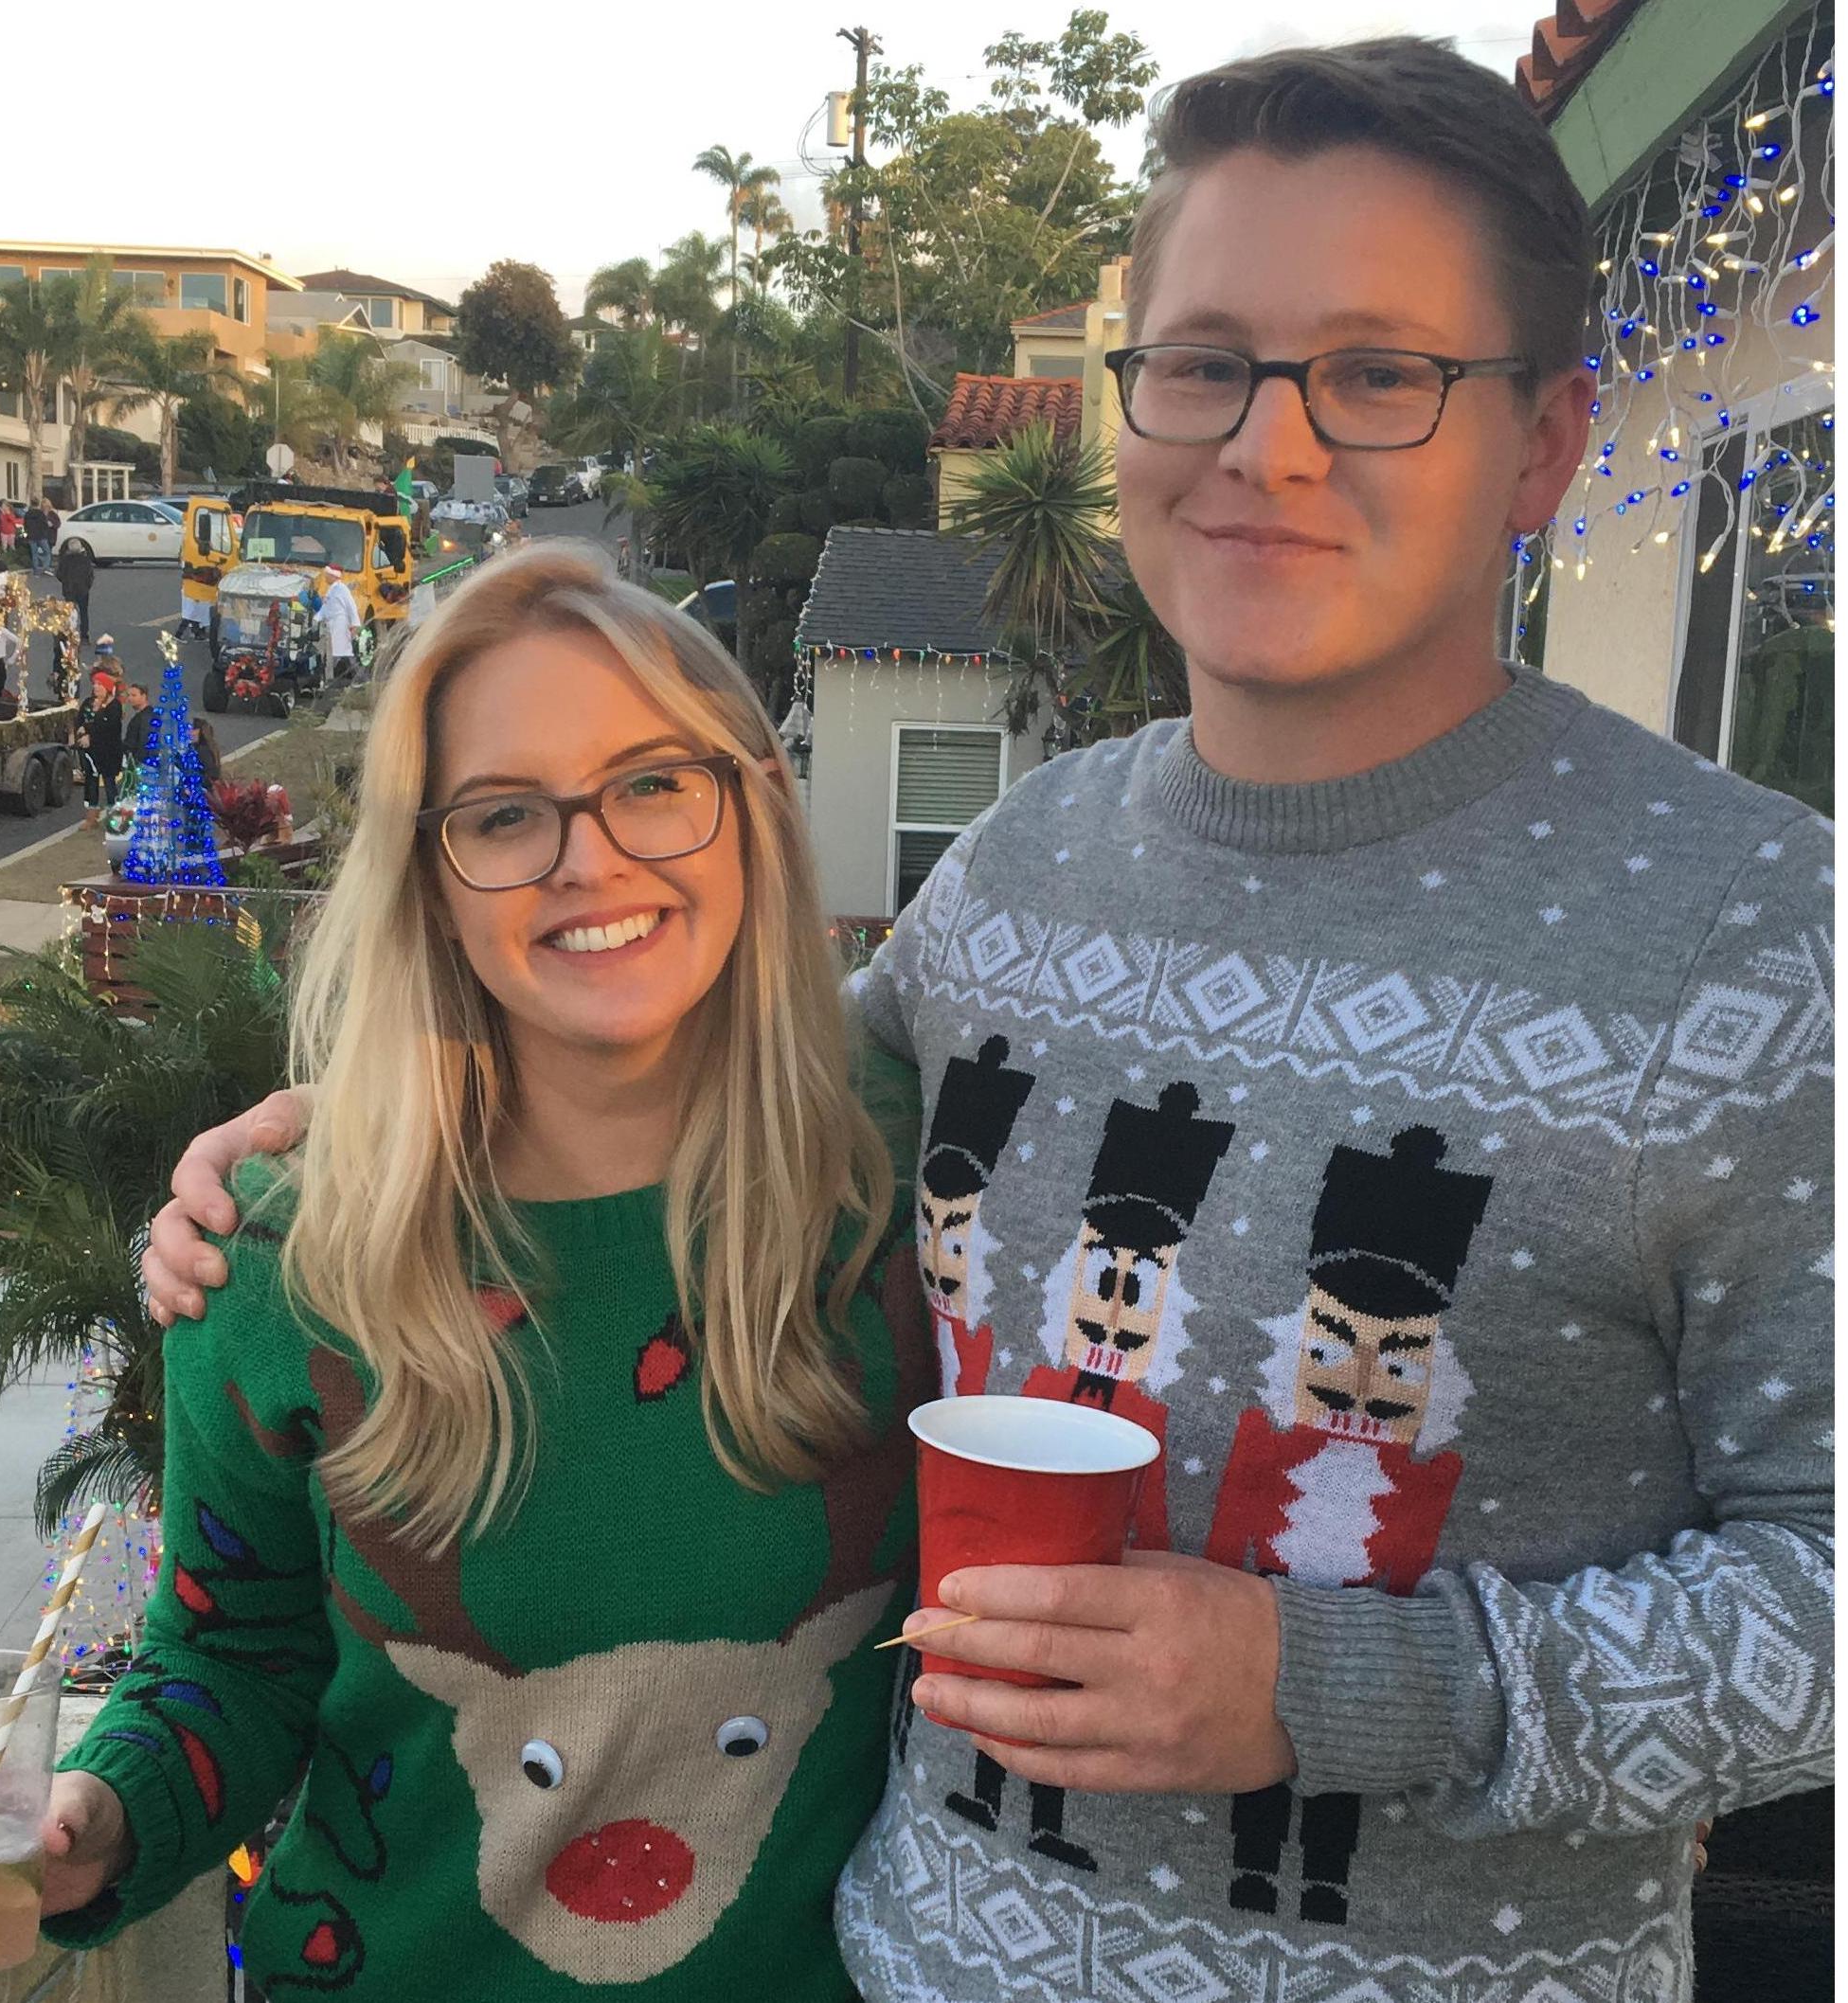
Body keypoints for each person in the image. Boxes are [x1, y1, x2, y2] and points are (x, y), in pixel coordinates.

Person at [119, 37, 1831, 2003]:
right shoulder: (1023, 868)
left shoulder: (1753, 939)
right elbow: (695, 1071)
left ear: (1539, 441)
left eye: (1377, 372)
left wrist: (1342, 1687)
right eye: (1203, 362)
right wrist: (356, 1126)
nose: (1266, 445)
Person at [0, 541, 931, 1998]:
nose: (587, 856)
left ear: (754, 805)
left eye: (653, 781)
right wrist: (94, 1822)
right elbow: (233, 1655)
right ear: (429, 880)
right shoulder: (284, 1255)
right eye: (502, 812)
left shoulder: (923, 1187)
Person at [75, 658, 126, 831]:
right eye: (95, 684)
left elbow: (108, 728)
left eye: (100, 684)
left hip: (108, 753)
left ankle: (116, 819)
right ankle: (91, 817)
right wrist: (81, 732)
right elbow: (80, 721)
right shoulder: (88, 704)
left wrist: (90, 733)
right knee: (90, 784)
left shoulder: (114, 706)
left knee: (110, 785)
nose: (96, 687)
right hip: (90, 754)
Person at [317, 562, 361, 681]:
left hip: (340, 624)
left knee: (343, 652)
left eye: (327, 575)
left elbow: (351, 606)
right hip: (333, 624)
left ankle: (358, 677)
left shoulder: (341, 589)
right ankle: (332, 677)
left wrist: (354, 625)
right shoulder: (333, 589)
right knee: (337, 652)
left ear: (333, 576)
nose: (325, 577)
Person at [56, 536, 96, 658]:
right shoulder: (85, 560)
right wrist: (87, 586)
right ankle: (84, 636)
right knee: (84, 612)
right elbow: (90, 575)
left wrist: (65, 582)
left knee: (70, 613)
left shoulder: (65, 561)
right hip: (83, 589)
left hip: (69, 589)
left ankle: (70, 634)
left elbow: (59, 574)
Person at [120, 682, 153, 765]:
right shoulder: (141, 716)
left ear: (144, 696)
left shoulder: (146, 717)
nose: (130, 699)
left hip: (141, 763)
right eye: (128, 695)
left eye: (134, 695)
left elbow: (143, 741)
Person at [189, 715, 222, 786]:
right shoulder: (198, 747)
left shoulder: (203, 750)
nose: (190, 733)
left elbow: (213, 774)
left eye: (193, 730)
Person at [24, 498, 52, 575]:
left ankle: (36, 570)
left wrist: (26, 535)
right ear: (38, 504)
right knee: (47, 552)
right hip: (41, 536)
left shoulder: (28, 514)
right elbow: (44, 525)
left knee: (34, 553)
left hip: (31, 536)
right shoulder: (41, 513)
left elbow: (25, 526)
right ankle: (45, 567)